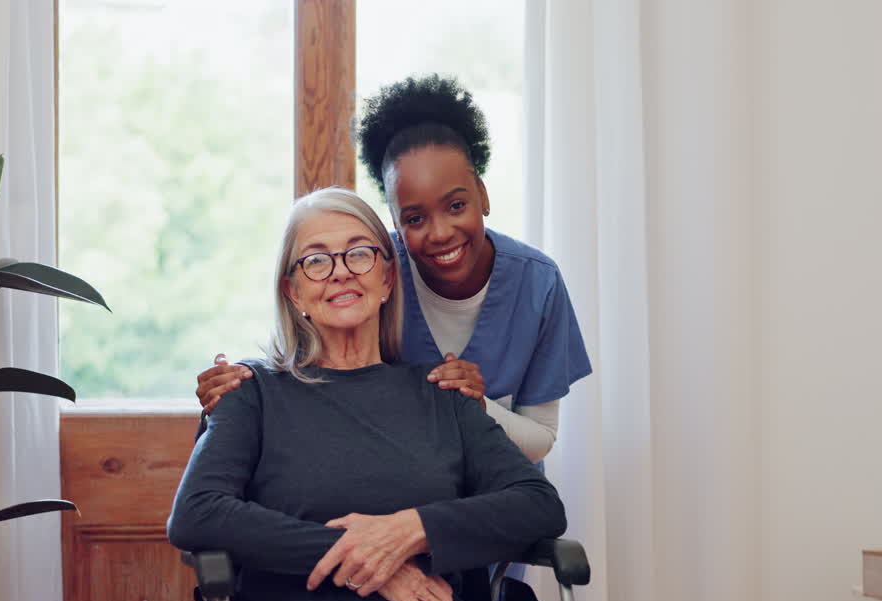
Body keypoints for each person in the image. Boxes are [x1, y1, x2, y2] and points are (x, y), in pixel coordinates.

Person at [167, 187, 566, 601]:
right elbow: (197, 514)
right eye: (315, 261)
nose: (340, 272)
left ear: (386, 276)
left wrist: (410, 529)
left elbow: (539, 505)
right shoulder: (252, 393)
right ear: (291, 291)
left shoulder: (442, 394)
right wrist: (370, 562)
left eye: (358, 253)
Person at [196, 74, 591, 464]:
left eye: (456, 206)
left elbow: (540, 438)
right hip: (403, 488)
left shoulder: (538, 284)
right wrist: (238, 386)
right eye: (414, 219)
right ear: (396, 225)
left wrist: (475, 403)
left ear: (483, 196)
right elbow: (313, 376)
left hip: (502, 492)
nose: (440, 233)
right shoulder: (368, 270)